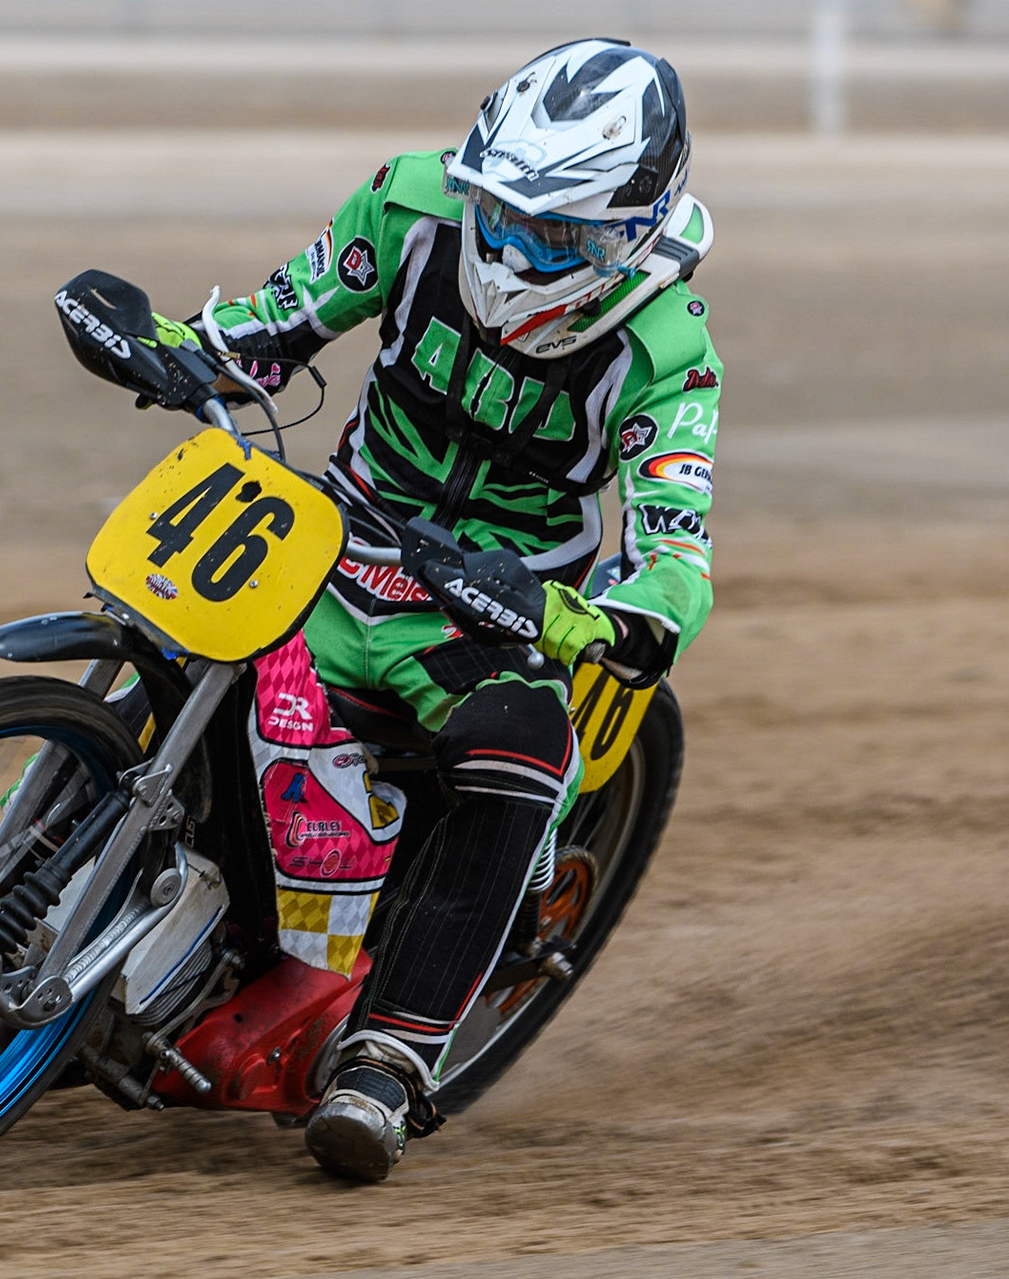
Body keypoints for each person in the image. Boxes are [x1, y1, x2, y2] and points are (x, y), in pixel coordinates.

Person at [152, 37, 721, 1182]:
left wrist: (599, 619)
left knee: (525, 748)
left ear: (635, 232)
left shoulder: (667, 348)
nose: (513, 250)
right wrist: (163, 346)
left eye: (556, 235)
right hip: (332, 530)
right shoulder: (410, 205)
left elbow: (675, 550)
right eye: (500, 212)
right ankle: (39, 893)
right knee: (161, 629)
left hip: (495, 610)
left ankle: (391, 1058)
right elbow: (270, 327)